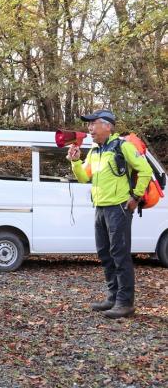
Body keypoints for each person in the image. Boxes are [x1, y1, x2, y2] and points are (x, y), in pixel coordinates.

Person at [68, 109, 153, 319]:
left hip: (119, 209)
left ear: (108, 126)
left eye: (93, 124)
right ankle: (113, 297)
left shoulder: (122, 147)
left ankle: (125, 303)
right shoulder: (95, 151)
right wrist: (75, 161)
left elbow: (145, 170)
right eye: (88, 124)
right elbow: (83, 178)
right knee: (105, 254)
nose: (89, 128)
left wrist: (135, 196)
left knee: (120, 255)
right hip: (100, 208)